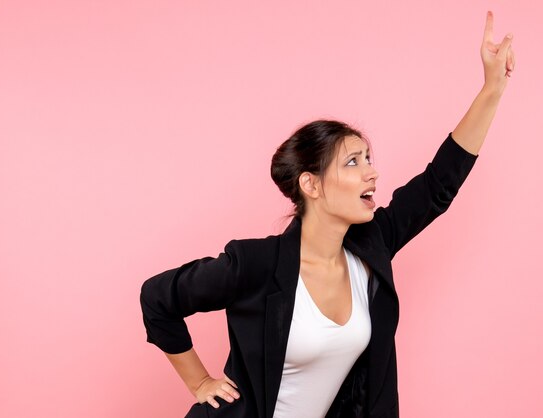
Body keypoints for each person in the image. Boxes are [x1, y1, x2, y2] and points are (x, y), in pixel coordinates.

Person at [140, 11, 515, 418]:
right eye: (353, 162)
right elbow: (158, 297)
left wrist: (492, 87)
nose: (372, 172)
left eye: (369, 158)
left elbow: (438, 185)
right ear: (311, 185)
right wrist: (198, 382)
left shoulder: (371, 246)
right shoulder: (256, 264)